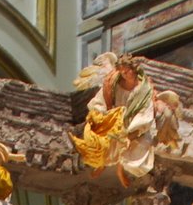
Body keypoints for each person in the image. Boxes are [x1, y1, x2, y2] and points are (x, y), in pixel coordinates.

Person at [72, 54, 181, 187]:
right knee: (101, 140)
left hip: (135, 124)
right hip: (115, 117)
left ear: (133, 69)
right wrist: (104, 113)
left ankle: (120, 170)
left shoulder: (144, 90)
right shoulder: (114, 81)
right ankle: (102, 164)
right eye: (122, 72)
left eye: (126, 71)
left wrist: (131, 131)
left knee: (129, 150)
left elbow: (145, 114)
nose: (124, 74)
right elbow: (104, 98)